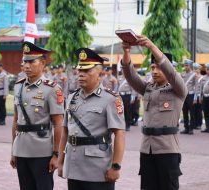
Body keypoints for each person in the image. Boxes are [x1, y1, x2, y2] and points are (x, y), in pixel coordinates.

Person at [121, 35, 187, 190]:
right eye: (152, 68)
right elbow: (130, 76)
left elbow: (170, 72)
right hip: (147, 148)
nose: (155, 71)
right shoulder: (148, 88)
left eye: (158, 67)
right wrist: (126, 52)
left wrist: (151, 46)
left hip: (167, 149)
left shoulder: (178, 89)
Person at [58, 48, 125, 190]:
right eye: (80, 71)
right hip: (74, 165)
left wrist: (116, 166)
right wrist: (60, 161)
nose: (81, 75)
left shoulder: (110, 99)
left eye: (87, 71)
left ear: (100, 74)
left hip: (97, 169)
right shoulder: (72, 98)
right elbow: (65, 131)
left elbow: (119, 133)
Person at [10, 41, 64, 190]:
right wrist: (13, 151)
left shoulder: (52, 89)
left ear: (42, 63)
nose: (26, 66)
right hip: (21, 149)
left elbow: (58, 124)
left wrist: (56, 154)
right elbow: (16, 120)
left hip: (42, 151)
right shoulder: (18, 86)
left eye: (31, 62)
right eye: (24, 62)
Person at [180, 59, 195, 135]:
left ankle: (191, 128)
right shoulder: (182, 74)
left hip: (191, 95)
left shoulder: (194, 74)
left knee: (191, 112)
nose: (185, 67)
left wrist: (196, 97)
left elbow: (196, 86)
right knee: (184, 111)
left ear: (190, 66)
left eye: (187, 65)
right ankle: (186, 127)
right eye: (185, 65)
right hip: (183, 95)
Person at [193, 63, 203, 129]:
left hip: (199, 95)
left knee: (199, 110)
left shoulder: (202, 77)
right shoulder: (192, 77)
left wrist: (201, 97)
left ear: (199, 69)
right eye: (195, 69)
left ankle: (199, 124)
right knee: (193, 110)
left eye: (197, 69)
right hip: (192, 95)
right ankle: (194, 123)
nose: (196, 70)